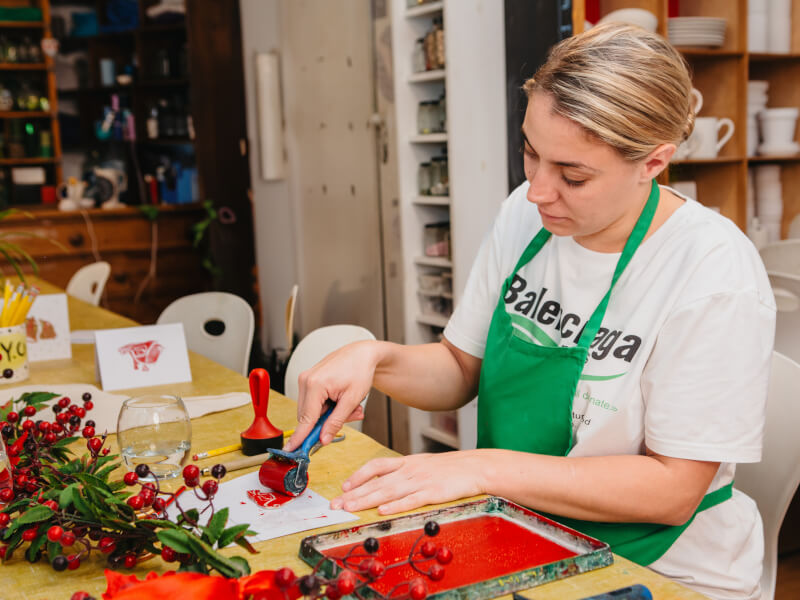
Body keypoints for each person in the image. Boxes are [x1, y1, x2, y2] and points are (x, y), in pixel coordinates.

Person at [284, 23, 775, 600]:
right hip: (523, 529)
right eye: (530, 151)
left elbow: (672, 491)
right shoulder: (527, 213)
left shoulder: (711, 272)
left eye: (573, 175)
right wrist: (377, 358)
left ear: (654, 162)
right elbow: (459, 367)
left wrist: (480, 468)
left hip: (662, 566)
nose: (537, 188)